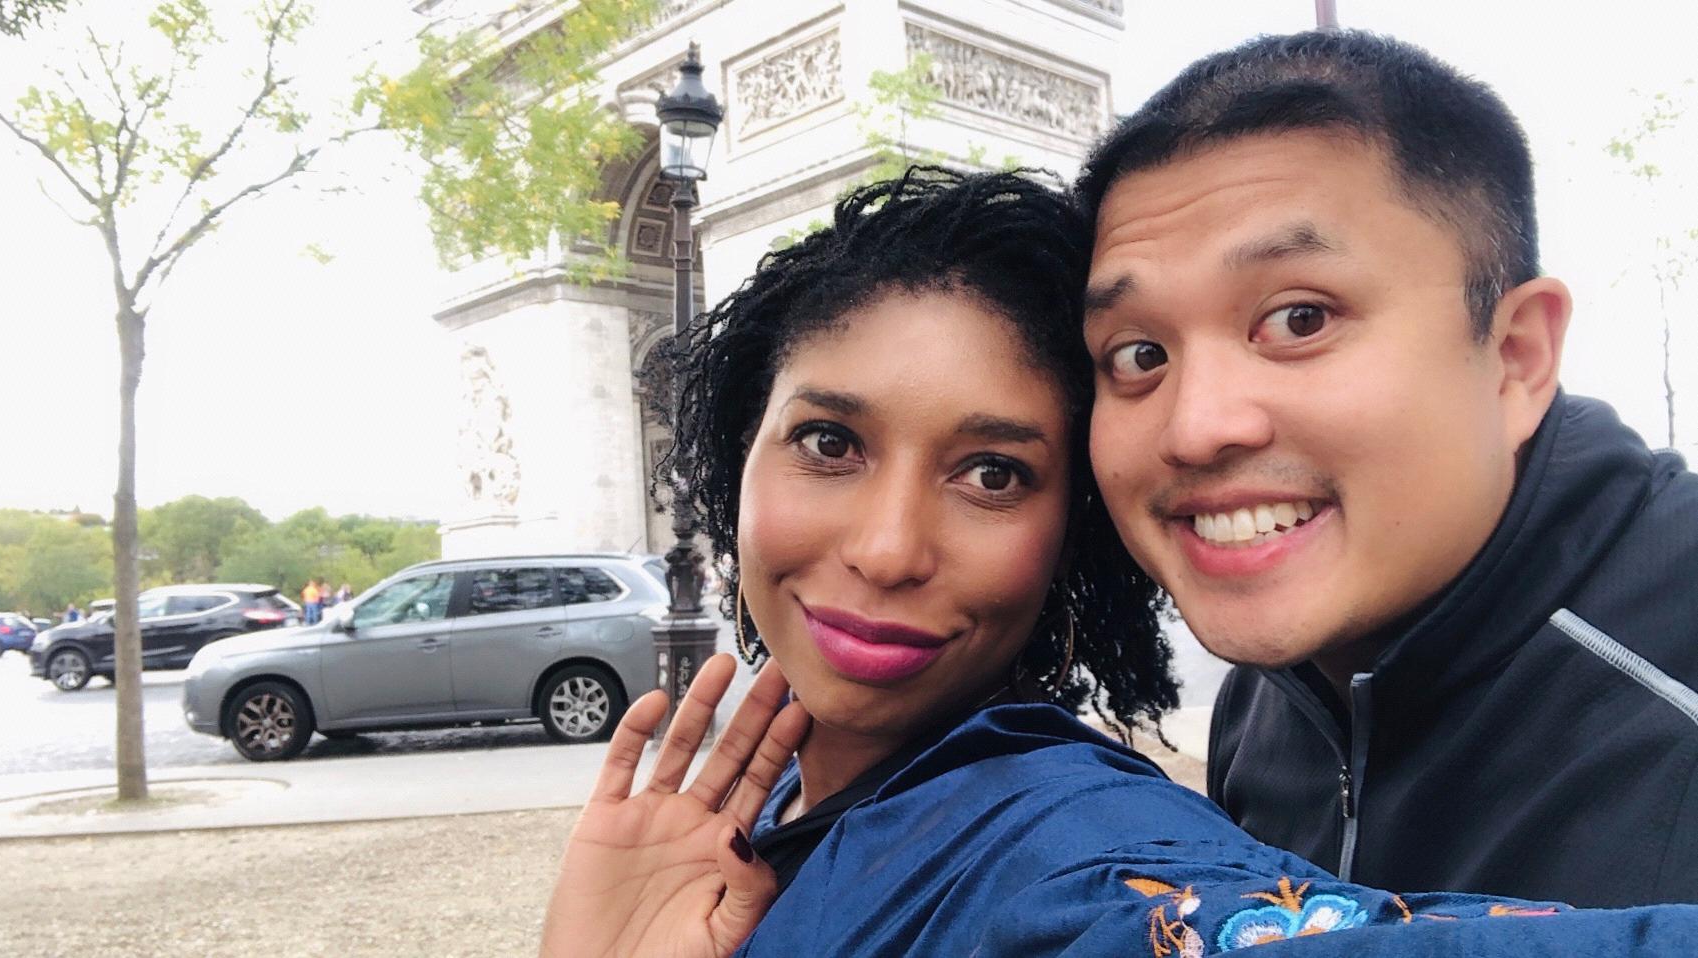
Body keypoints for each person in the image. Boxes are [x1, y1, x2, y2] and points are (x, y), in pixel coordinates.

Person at [538, 169, 1698, 957]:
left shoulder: (1067, 851)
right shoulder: (740, 823)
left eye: (993, 473)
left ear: (1076, 537)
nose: (887, 548)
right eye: (829, 443)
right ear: (735, 456)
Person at [1073, 30, 1698, 907]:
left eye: (1298, 319)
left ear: (1513, 357)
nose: (1196, 427)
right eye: (1138, 353)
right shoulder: (1270, 691)